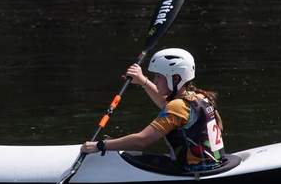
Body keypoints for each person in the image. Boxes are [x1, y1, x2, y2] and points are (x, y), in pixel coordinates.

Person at [78, 47, 227, 171]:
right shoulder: (199, 97)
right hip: (211, 165)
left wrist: (100, 145)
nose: (155, 80)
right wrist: (143, 81)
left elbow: (142, 140)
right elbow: (168, 106)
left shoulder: (178, 106)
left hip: (193, 172)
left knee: (130, 155)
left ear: (175, 79)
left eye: (158, 76)